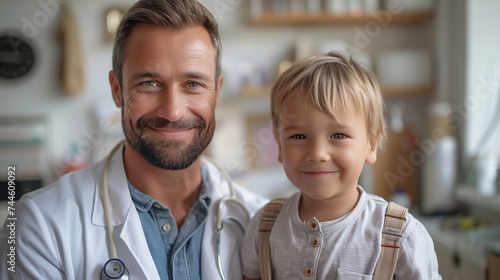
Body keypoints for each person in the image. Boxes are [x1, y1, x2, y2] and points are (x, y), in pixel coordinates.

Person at [0, 0, 267, 279]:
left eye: (193, 84)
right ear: (117, 90)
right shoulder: (40, 225)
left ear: (217, 91)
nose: (173, 112)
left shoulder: (261, 222)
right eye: (149, 83)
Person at [241, 52, 441, 279]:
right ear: (279, 146)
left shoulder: (402, 236)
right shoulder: (263, 227)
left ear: (371, 146)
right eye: (298, 136)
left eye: (338, 135)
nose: (317, 153)